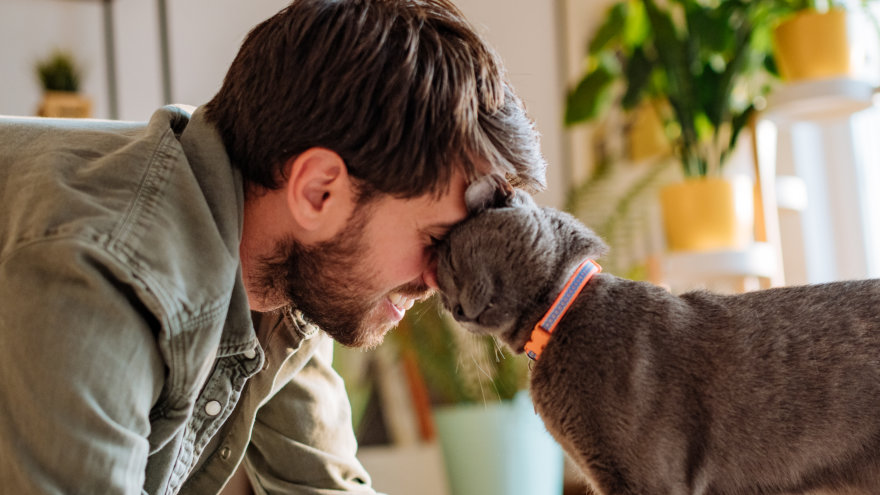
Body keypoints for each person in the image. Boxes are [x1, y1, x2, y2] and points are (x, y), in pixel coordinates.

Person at [0, 0, 547, 493]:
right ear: (318, 190)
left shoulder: (285, 271)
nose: (439, 279)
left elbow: (324, 486)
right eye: (434, 239)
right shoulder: (108, 268)